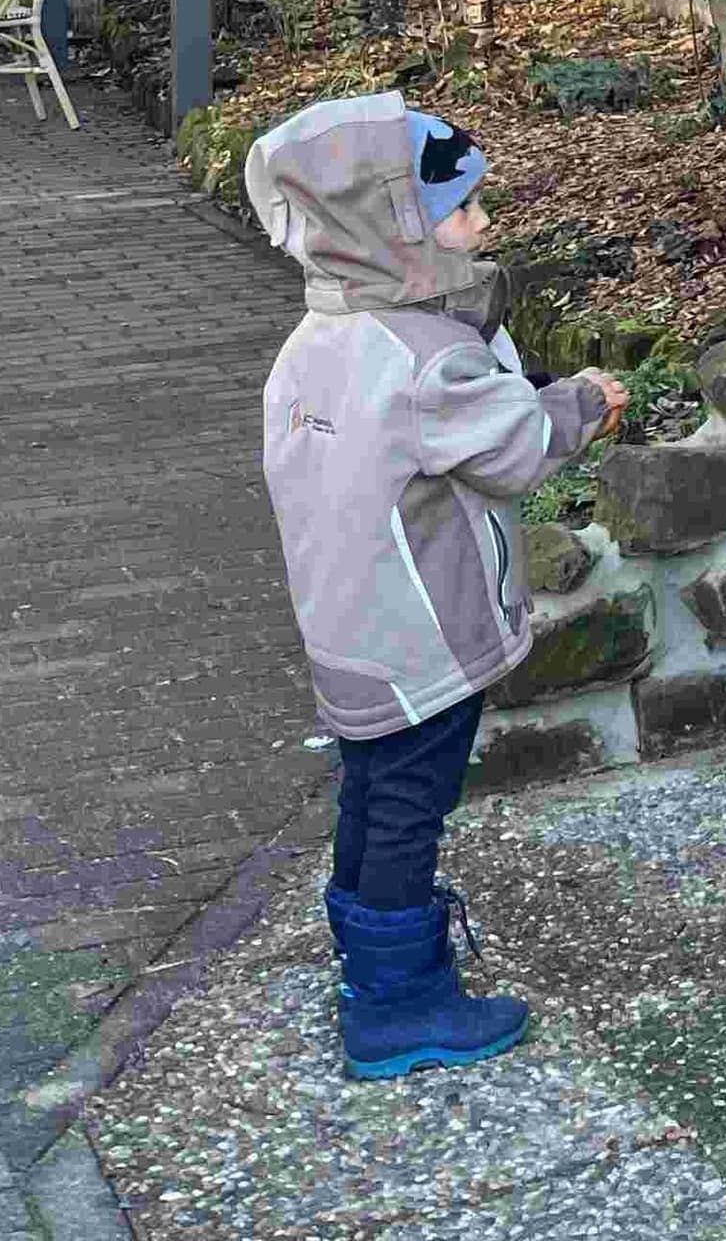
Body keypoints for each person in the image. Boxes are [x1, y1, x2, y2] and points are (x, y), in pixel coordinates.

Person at [251, 92, 628, 1081]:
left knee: (372, 791)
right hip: (426, 639)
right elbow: (515, 450)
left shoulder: (315, 342)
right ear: (398, 229)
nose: (485, 227)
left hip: (346, 627)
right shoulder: (427, 357)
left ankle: (361, 956)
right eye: (465, 211)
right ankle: (396, 1003)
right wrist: (584, 401)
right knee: (414, 805)